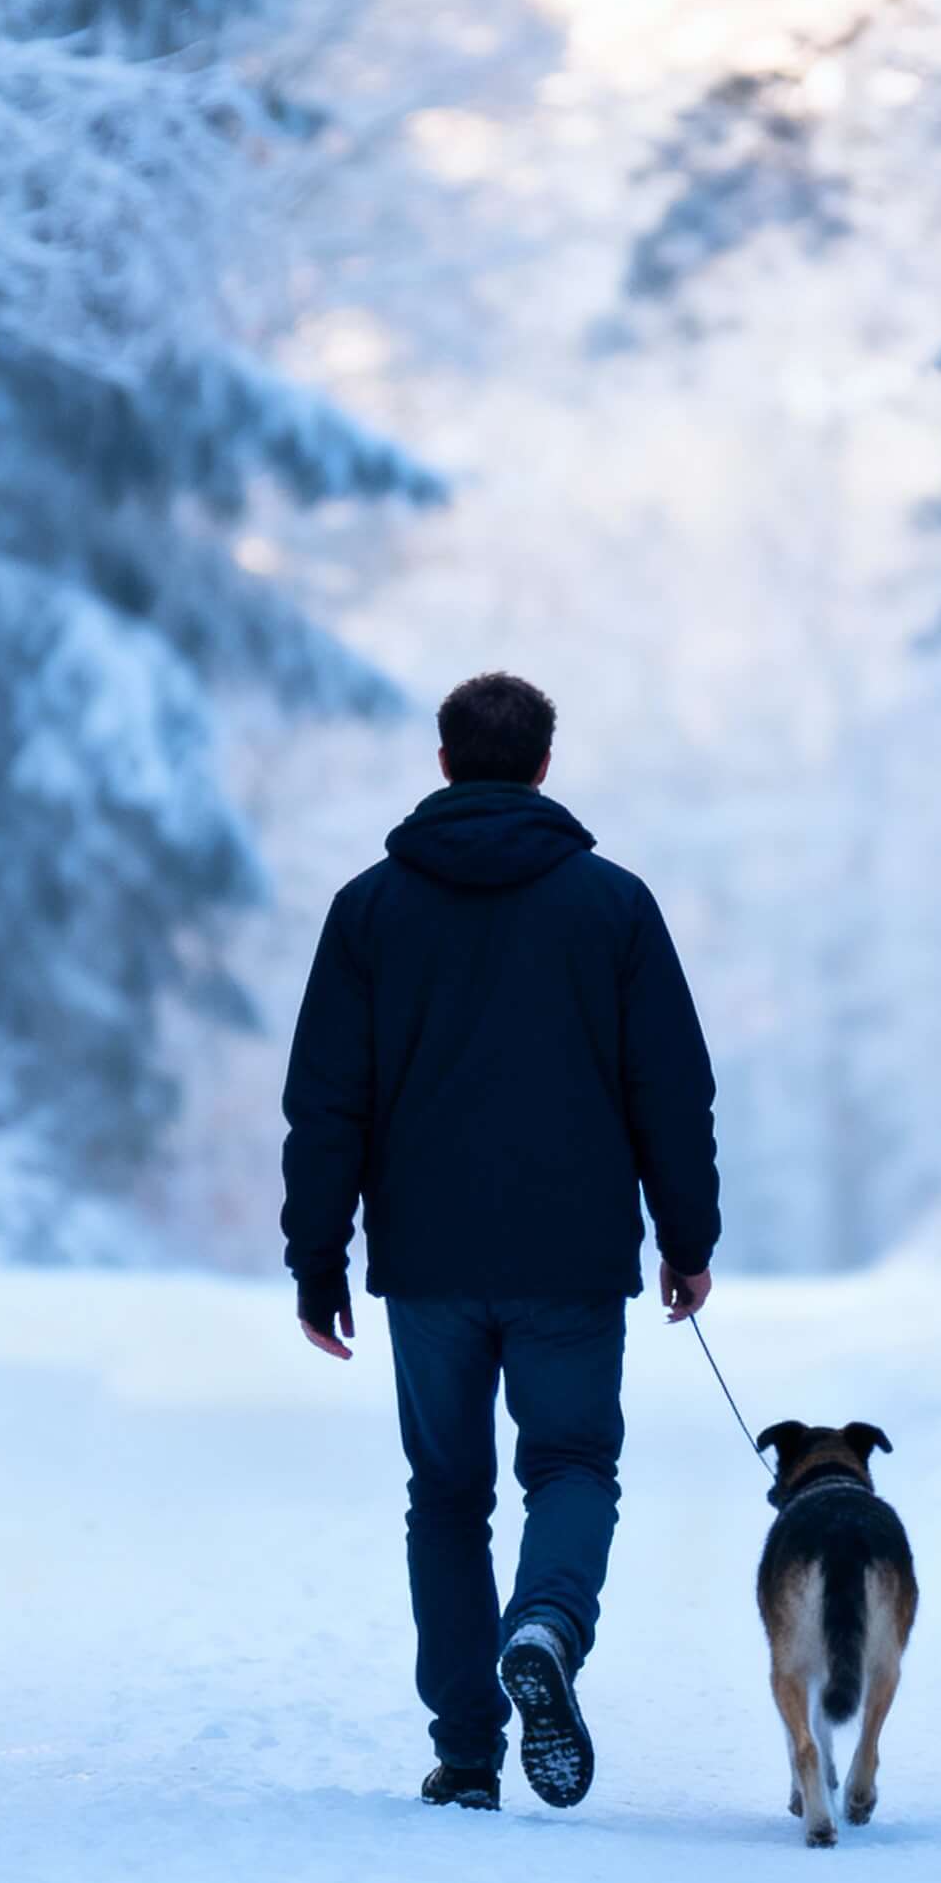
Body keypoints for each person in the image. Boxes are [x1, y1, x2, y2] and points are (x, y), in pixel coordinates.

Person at [280, 671, 722, 1810]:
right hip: (571, 1256)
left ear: (442, 764)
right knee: (572, 1464)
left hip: (425, 1261)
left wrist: (318, 1258)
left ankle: (469, 1751)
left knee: (447, 1495)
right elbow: (668, 1087)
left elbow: (327, 1100)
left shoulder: (369, 910)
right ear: (543, 765)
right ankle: (547, 1626)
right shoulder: (613, 907)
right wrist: (686, 1235)